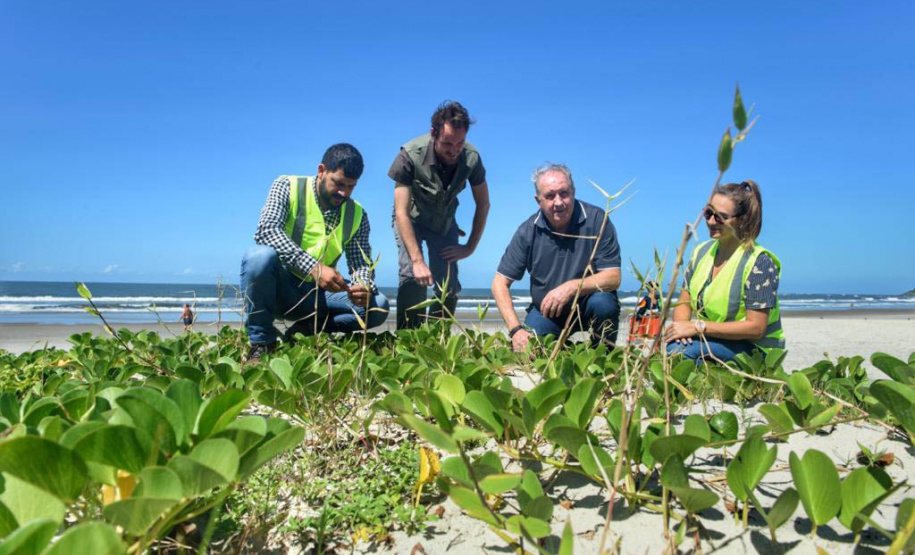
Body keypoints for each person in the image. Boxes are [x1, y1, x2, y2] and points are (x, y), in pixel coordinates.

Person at [241, 143, 390, 362]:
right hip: (280, 290)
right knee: (259, 257)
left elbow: (360, 262)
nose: (344, 192)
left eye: (351, 186)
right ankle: (262, 343)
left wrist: (363, 285)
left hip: (318, 296)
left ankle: (306, 331)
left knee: (379, 306)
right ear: (321, 171)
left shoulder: (357, 214)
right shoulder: (287, 186)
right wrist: (314, 267)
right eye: (338, 183)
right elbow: (266, 231)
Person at [491, 163, 622, 353]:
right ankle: (561, 348)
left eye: (564, 193)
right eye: (550, 196)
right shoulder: (527, 231)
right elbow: (499, 283)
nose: (558, 202)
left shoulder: (597, 220)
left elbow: (613, 277)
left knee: (604, 303)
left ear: (573, 192)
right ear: (538, 201)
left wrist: (571, 287)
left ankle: (603, 357)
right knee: (531, 352)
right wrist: (516, 330)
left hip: (589, 304)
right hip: (548, 312)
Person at [390, 101, 490, 329]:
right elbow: (401, 212)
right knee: (412, 276)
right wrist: (417, 261)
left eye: (460, 142)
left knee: (449, 285)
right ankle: (408, 342)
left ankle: (436, 340)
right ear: (433, 133)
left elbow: (483, 204)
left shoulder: (472, 158)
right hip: (410, 218)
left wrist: (470, 247)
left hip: (443, 223)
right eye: (447, 143)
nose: (454, 150)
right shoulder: (409, 156)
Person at [664, 180, 785, 363]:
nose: (711, 221)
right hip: (713, 338)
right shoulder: (700, 253)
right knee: (675, 347)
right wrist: (681, 330)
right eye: (708, 213)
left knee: (682, 353)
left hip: (754, 351)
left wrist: (697, 327)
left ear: (742, 220)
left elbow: (756, 328)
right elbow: (684, 301)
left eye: (720, 217)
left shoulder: (760, 262)